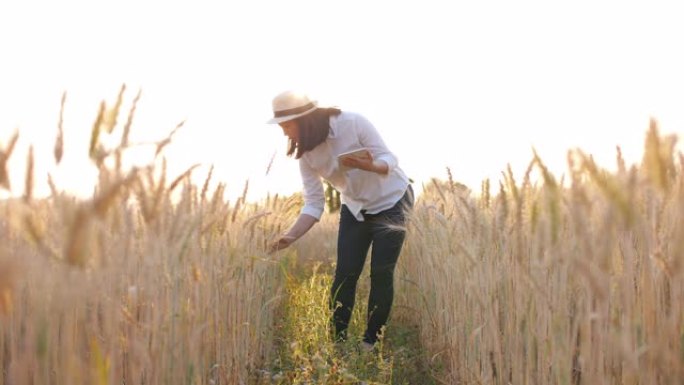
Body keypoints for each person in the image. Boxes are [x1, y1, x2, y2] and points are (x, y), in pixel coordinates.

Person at [267, 90, 414, 349]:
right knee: (344, 275)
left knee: (380, 273)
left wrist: (371, 167)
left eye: (287, 126)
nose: (285, 133)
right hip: (355, 208)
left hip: (393, 201)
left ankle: (370, 343)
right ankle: (339, 344)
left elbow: (389, 158)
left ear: (305, 120)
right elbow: (314, 204)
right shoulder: (307, 157)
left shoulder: (353, 122)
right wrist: (289, 237)